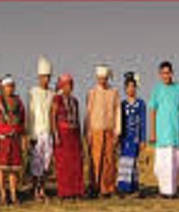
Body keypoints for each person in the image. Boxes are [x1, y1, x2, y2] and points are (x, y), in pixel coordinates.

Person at [148, 61, 179, 198]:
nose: (166, 75)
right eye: (163, 73)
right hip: (161, 133)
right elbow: (152, 110)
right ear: (160, 74)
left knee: (175, 163)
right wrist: (152, 132)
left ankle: (172, 191)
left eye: (168, 73)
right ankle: (162, 190)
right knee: (161, 165)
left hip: (175, 132)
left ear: (172, 73)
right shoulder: (156, 90)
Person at [85, 64, 121, 197]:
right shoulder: (92, 93)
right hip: (96, 129)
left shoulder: (114, 92)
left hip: (110, 129)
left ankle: (108, 188)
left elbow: (117, 112)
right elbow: (88, 113)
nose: (102, 81)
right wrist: (87, 131)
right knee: (95, 159)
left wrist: (117, 131)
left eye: (104, 78)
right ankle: (94, 186)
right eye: (100, 78)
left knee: (109, 160)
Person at [0, 75, 27, 205]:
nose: (10, 89)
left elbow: (22, 122)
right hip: (2, 138)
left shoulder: (19, 102)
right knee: (1, 168)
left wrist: (23, 139)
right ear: (2, 87)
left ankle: (13, 194)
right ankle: (2, 194)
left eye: (12, 86)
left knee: (13, 169)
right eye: (7, 86)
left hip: (15, 138)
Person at [50, 73, 84, 199]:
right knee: (63, 165)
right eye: (67, 84)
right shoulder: (57, 99)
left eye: (71, 84)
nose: (69, 87)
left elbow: (77, 119)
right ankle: (65, 192)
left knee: (75, 163)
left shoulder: (74, 101)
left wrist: (80, 137)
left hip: (74, 135)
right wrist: (56, 135)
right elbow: (53, 118)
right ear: (62, 85)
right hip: (62, 135)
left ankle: (76, 191)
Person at [28, 56, 55, 201]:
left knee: (46, 163)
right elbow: (31, 114)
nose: (46, 79)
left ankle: (42, 189)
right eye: (44, 77)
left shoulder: (52, 93)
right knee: (36, 164)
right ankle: (35, 190)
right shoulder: (33, 92)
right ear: (39, 77)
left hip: (48, 132)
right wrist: (31, 135)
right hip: (37, 132)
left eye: (48, 77)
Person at [117, 72, 147, 195]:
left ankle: (133, 186)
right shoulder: (122, 104)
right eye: (128, 87)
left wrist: (143, 139)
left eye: (133, 87)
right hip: (125, 138)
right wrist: (118, 137)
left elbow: (143, 122)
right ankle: (123, 188)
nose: (131, 89)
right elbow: (119, 122)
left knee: (133, 162)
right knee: (124, 162)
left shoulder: (140, 104)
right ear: (125, 89)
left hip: (135, 137)